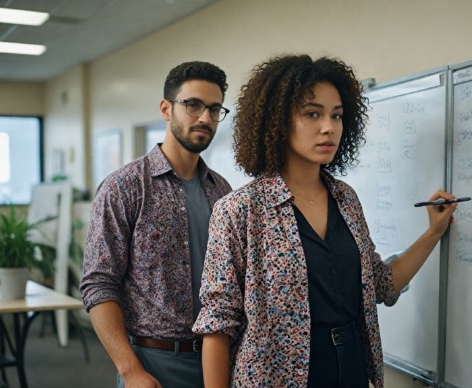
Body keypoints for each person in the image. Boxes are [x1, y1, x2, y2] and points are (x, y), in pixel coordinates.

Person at [193, 54, 458, 388]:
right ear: (277, 120)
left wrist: (433, 233)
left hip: (352, 365)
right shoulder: (239, 209)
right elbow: (218, 322)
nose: (328, 126)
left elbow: (380, 284)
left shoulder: (346, 199)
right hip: (277, 376)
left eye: (337, 115)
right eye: (312, 114)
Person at [80, 61, 233, 388]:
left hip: (218, 361)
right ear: (166, 109)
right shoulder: (125, 187)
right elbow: (99, 283)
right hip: (152, 363)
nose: (205, 118)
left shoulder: (223, 192)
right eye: (193, 105)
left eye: (214, 108)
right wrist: (130, 370)